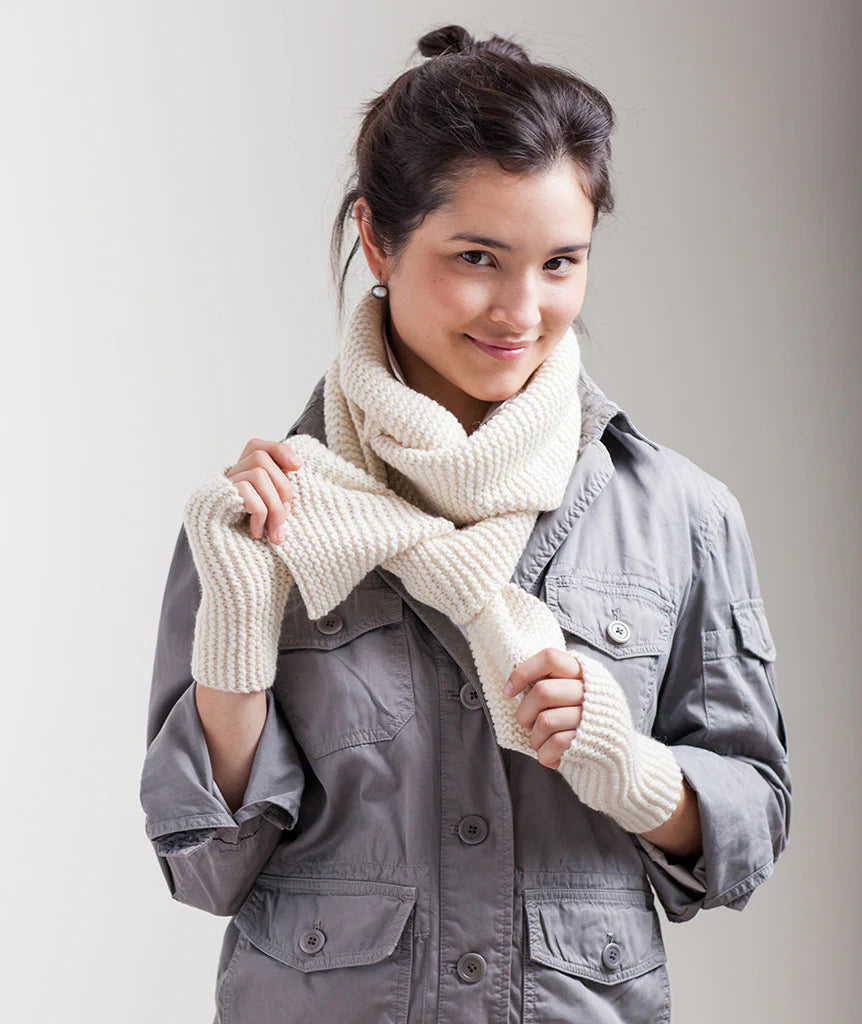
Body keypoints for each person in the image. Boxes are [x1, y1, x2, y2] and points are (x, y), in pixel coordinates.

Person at [139, 24, 791, 1024]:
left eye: (561, 262)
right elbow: (204, 869)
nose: (521, 310)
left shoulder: (678, 513)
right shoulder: (265, 513)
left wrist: (630, 768)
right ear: (378, 240)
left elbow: (752, 820)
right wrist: (236, 629)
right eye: (478, 257)